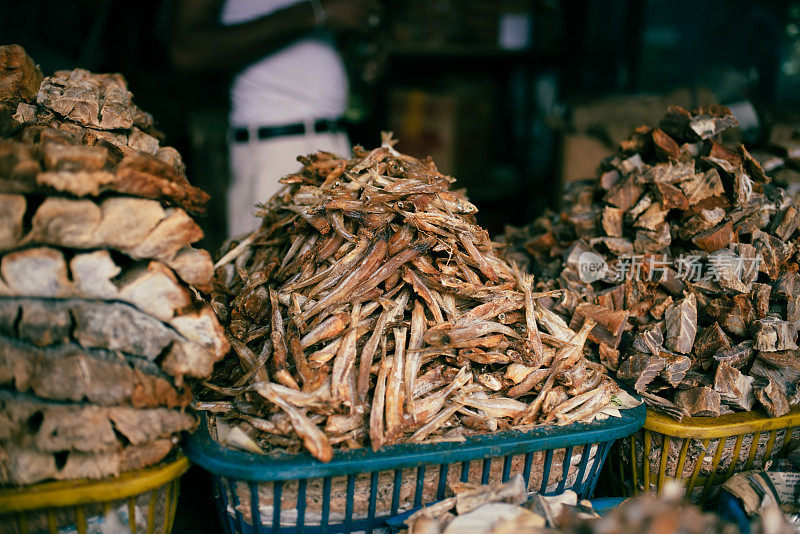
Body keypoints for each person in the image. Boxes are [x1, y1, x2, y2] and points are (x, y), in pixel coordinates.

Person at [171, 0, 380, 236]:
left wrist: (357, 63)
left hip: (336, 141)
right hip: (274, 151)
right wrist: (315, 12)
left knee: (338, 264)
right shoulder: (315, 11)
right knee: (266, 264)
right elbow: (187, 49)